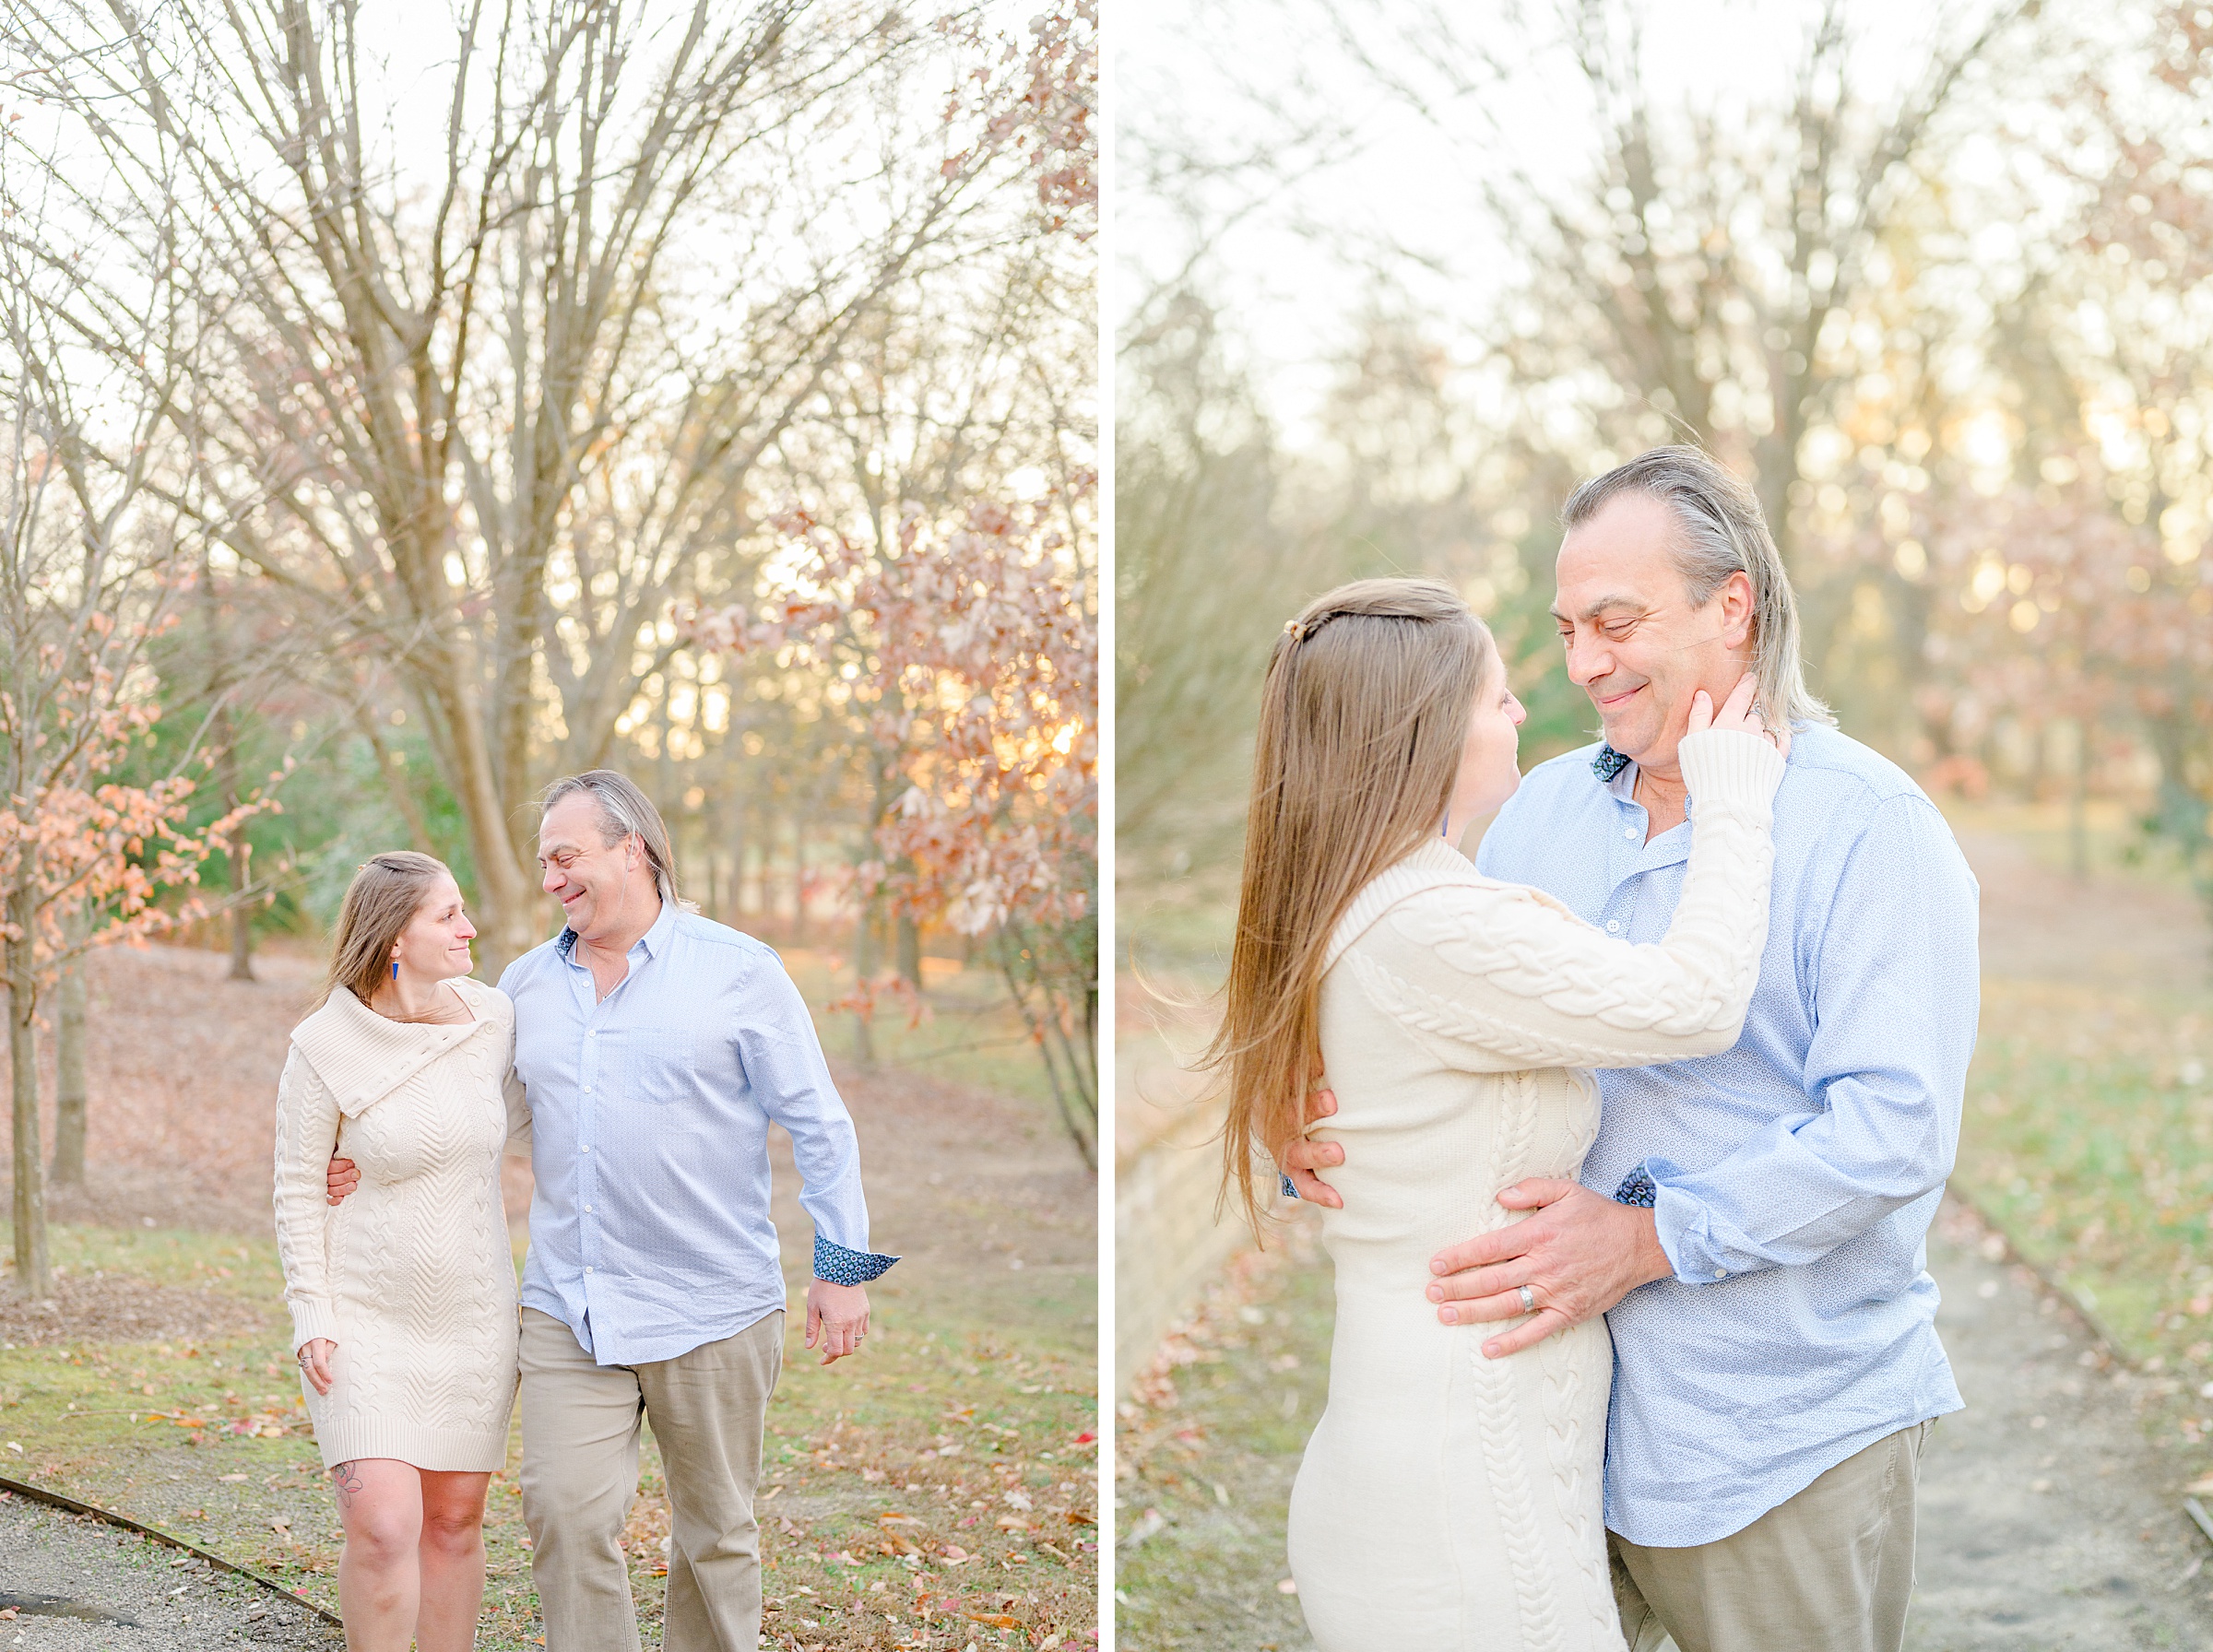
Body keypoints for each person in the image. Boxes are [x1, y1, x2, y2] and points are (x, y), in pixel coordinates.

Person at [1284, 448, 1980, 1652]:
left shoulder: (1872, 831)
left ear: (1732, 605)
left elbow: (1895, 1129)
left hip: (1774, 1443)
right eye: (1566, 629)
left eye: (1617, 621)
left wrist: (1653, 1237)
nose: (1586, 663)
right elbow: (1437, 1005)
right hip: (1541, 1441)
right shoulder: (1539, 810)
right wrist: (1320, 1110)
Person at [1213, 575, 1788, 1650]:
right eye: (1496, 697)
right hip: (1458, 1509)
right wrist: (1735, 797)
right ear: (1420, 733)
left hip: (1434, 1468)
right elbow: (1698, 1002)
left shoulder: (1368, 901)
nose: (1527, 708)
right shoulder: (1432, 924)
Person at [328, 771, 893, 1652]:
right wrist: (357, 1154)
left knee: (715, 1536)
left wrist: (842, 1268)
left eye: (566, 857)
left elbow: (820, 1123)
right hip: (570, 1307)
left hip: (713, 1305)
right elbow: (478, 1114)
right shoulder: (523, 987)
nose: (551, 879)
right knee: (563, 1512)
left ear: (632, 850)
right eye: (545, 863)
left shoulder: (739, 972)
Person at [272, 852, 529, 1652]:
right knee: (385, 1527)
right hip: (363, 1318)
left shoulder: (492, 1022)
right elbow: (294, 1186)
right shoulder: (324, 1045)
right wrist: (310, 1310)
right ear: (394, 935)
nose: (469, 928)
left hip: (473, 1319)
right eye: (448, 915)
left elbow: (535, 1121)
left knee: (454, 1523)